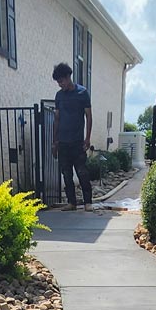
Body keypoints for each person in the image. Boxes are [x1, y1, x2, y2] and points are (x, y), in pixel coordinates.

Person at [52, 62, 94, 212]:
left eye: (61, 81)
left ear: (68, 77)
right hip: (63, 142)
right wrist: (55, 141)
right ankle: (72, 203)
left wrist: (87, 138)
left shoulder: (82, 93)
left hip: (77, 142)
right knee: (66, 174)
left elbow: (88, 116)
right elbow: (56, 118)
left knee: (82, 172)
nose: (60, 84)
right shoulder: (59, 96)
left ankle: (88, 202)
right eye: (58, 82)